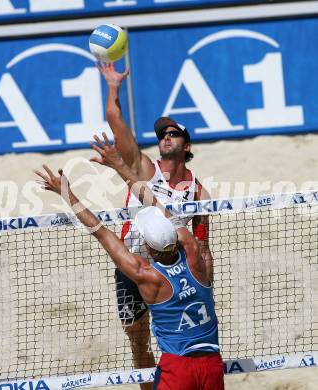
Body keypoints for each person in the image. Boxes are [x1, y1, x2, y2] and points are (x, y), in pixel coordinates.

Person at [35, 135, 224, 390]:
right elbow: (157, 205)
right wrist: (119, 166)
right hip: (212, 365)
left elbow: (101, 231)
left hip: (178, 369)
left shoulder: (148, 277)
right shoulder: (194, 255)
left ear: (148, 248)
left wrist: (66, 193)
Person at [94, 63, 213, 386]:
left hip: (172, 271)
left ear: (186, 146)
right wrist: (113, 87)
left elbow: (202, 243)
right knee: (138, 340)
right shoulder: (145, 169)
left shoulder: (198, 191)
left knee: (177, 343)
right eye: (162, 134)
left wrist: (203, 282)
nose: (166, 137)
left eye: (173, 133)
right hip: (133, 267)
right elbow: (116, 123)